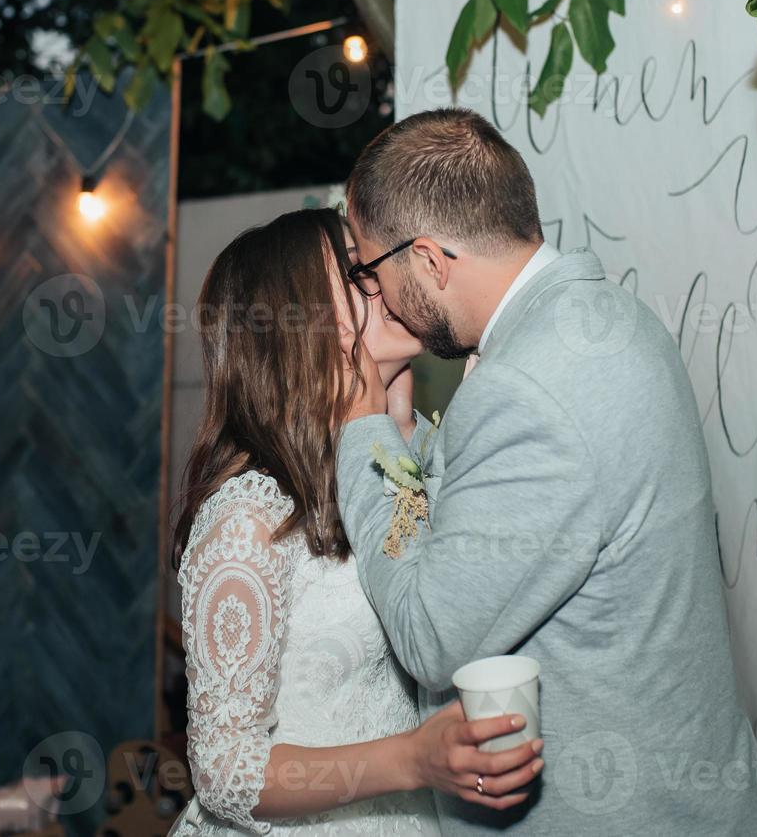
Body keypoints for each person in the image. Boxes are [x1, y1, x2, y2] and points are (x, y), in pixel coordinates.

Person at [336, 108, 757, 835]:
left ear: (429, 259)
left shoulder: (529, 389)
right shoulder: (613, 317)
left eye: (370, 266)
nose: (376, 294)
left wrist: (362, 430)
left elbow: (428, 636)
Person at [170, 208, 545, 836]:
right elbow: (226, 769)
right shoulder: (248, 517)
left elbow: (426, 597)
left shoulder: (409, 457)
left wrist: (393, 437)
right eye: (356, 271)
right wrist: (411, 760)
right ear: (297, 323)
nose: (386, 276)